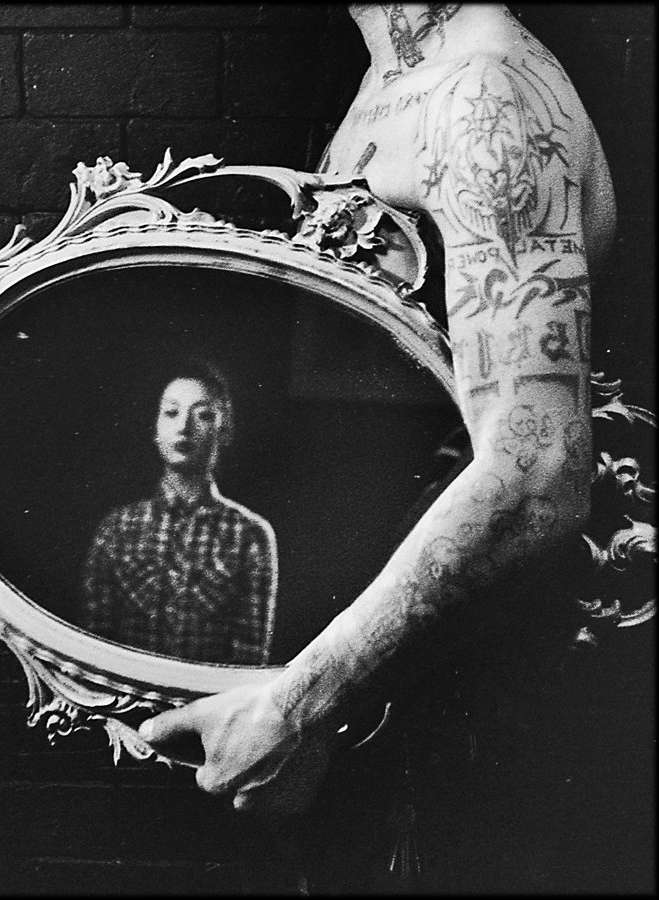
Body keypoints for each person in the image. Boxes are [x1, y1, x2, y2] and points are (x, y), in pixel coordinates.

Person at [138, 2, 616, 819]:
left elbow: (536, 471)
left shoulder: (484, 93)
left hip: (457, 731)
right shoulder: (390, 81)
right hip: (365, 704)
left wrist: (296, 707)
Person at [80, 359, 278, 665]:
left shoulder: (249, 536)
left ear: (224, 430)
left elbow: (249, 661)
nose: (184, 427)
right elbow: (95, 647)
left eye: (203, 415)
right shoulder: (117, 529)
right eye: (171, 412)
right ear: (156, 428)